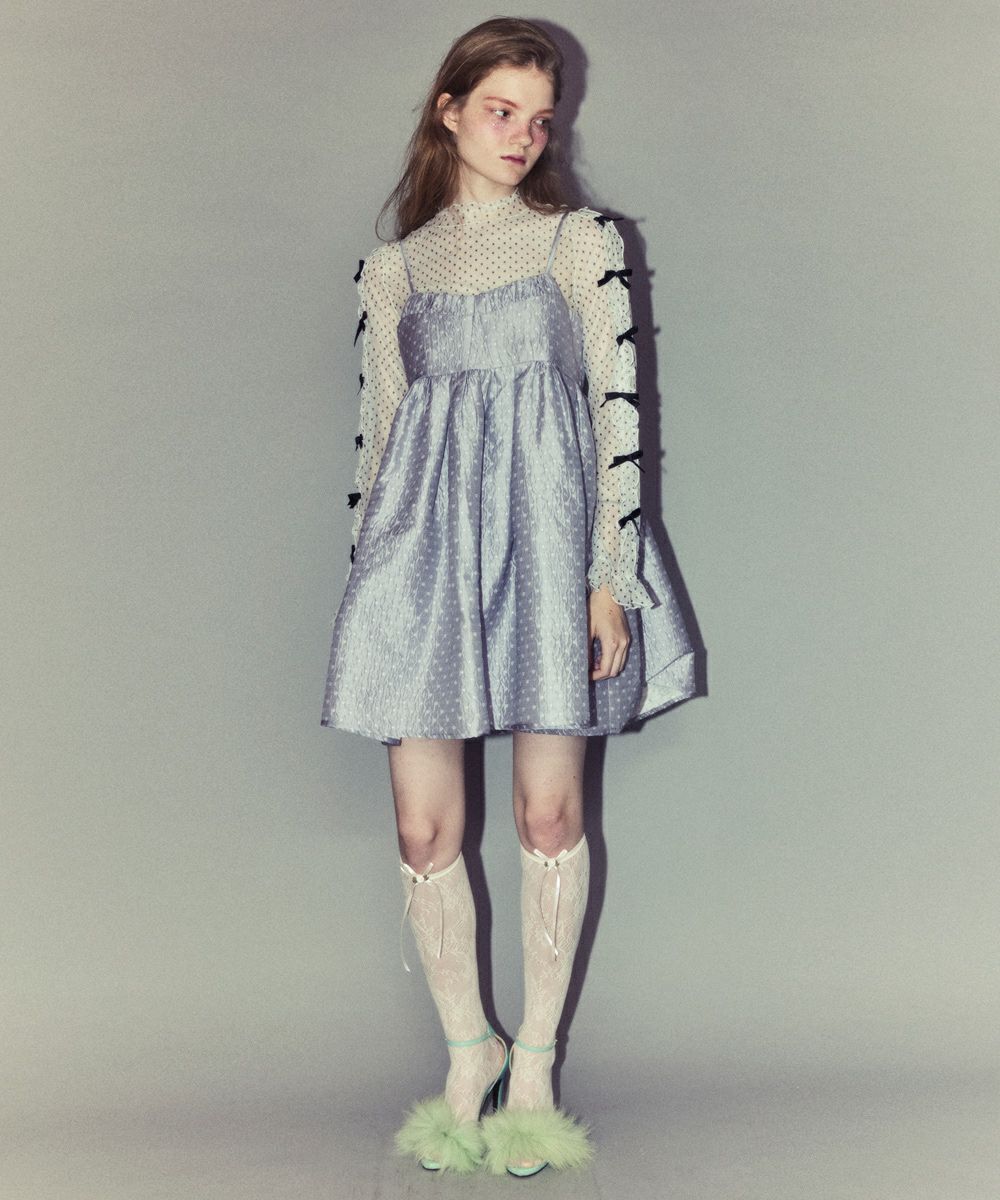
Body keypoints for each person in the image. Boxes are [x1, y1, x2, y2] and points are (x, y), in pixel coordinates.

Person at [320, 17, 696, 1177]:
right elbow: (380, 437)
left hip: (547, 550)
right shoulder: (394, 269)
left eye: (541, 117)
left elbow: (618, 419)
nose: (525, 134)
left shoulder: (580, 242)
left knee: (544, 815)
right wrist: (371, 585)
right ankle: (466, 1051)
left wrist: (608, 579)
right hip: (422, 558)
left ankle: (532, 1064)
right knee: (423, 827)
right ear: (448, 111)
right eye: (501, 110)